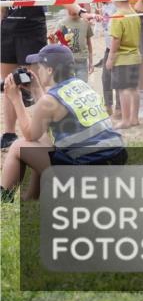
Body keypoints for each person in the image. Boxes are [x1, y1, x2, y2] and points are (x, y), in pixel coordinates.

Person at [0, 44, 125, 202]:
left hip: (87, 171)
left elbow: (30, 134)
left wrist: (15, 99)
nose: (36, 70)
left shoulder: (50, 100)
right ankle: (31, 198)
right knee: (43, 144)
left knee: (18, 146)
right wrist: (37, 90)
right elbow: (44, 128)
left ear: (49, 70)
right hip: (114, 160)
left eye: (39, 66)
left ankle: (3, 199)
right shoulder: (81, 85)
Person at [1, 0, 78, 151]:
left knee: (34, 84)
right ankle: (8, 133)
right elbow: (2, 9)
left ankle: (45, 131)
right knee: (8, 84)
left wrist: (79, 11)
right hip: (8, 34)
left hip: (32, 33)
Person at [106, 0, 141, 128]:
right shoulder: (134, 13)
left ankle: (126, 120)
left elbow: (116, 40)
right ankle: (134, 118)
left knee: (123, 89)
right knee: (133, 89)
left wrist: (110, 58)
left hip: (122, 58)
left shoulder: (117, 16)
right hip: (135, 56)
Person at [48, 1, 93, 82]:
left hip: (82, 61)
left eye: (75, 8)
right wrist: (52, 41)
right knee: (67, 85)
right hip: (66, 62)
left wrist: (91, 62)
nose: (73, 11)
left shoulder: (85, 23)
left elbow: (89, 44)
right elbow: (55, 45)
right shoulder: (61, 23)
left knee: (82, 85)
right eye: (71, 8)